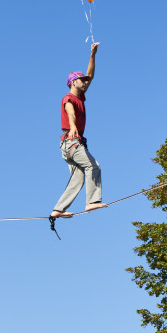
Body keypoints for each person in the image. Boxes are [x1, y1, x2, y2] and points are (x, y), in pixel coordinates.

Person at [51, 42, 106, 220]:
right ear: (74, 82)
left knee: (78, 178)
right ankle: (92, 201)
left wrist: (93, 54)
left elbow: (90, 74)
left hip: (69, 144)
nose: (85, 82)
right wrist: (73, 126)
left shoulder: (80, 96)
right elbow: (69, 111)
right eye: (82, 80)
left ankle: (58, 209)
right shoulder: (69, 97)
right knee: (93, 166)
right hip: (72, 141)